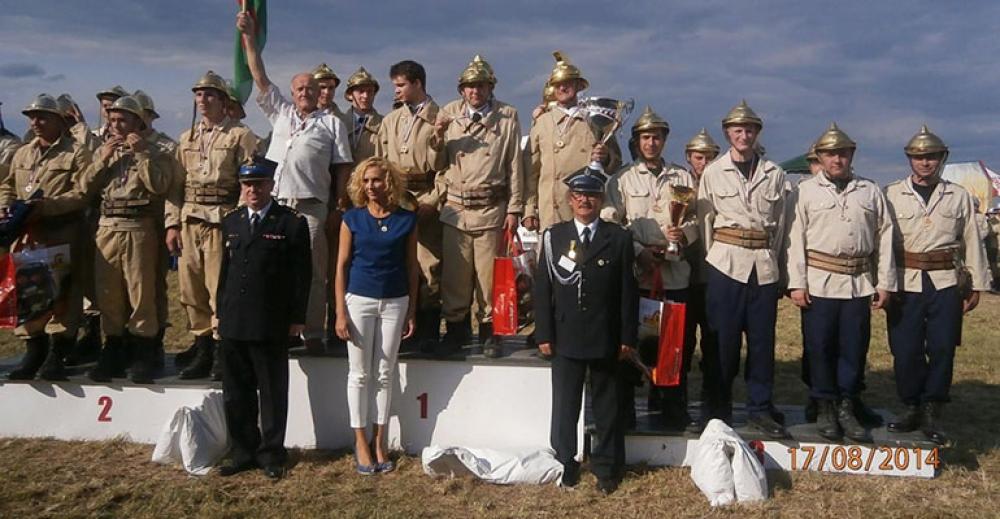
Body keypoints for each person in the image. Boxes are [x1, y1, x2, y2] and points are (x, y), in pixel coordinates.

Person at [238, 13, 353, 354]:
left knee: (315, 274)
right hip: (277, 205)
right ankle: (277, 328)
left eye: (311, 88)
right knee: (273, 270)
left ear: (321, 93)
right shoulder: (281, 113)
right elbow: (258, 75)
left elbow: (343, 168)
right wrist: (248, 36)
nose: (305, 92)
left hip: (312, 207)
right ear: (292, 92)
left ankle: (313, 334)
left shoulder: (332, 123)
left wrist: (338, 206)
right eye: (299, 88)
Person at [785, 123, 896, 442]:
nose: (837, 159)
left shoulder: (869, 190)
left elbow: (884, 236)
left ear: (852, 155)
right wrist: (797, 282)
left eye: (843, 153)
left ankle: (847, 404)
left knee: (853, 347)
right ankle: (824, 406)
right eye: (830, 154)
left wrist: (884, 282)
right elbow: (794, 238)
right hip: (819, 281)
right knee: (819, 346)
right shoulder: (804, 191)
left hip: (858, 282)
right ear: (820, 157)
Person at [884, 125, 990, 446]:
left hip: (944, 283)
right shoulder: (890, 194)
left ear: (942, 159)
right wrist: (882, 283)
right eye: (919, 157)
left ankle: (933, 407)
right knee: (905, 350)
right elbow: (883, 242)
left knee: (943, 347)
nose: (925, 163)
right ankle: (912, 405)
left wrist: (978, 283)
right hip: (906, 282)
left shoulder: (957, 196)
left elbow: (972, 239)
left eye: (931, 157)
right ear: (909, 160)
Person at [535, 168, 638, 495]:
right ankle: (565, 462)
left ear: (601, 199)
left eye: (591, 195)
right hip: (566, 334)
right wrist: (544, 334)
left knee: (607, 405)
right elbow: (543, 289)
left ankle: (607, 467)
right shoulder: (555, 237)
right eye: (579, 195)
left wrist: (627, 338)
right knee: (565, 405)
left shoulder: (618, 238)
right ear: (569, 200)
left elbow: (628, 292)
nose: (585, 201)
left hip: (606, 336)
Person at [695, 100, 788, 437]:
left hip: (762, 265)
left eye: (750, 129)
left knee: (762, 342)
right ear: (727, 134)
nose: (744, 135)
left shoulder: (774, 174)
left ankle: (760, 407)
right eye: (738, 130)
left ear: (757, 133)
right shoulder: (713, 172)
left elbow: (781, 223)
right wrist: (715, 260)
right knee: (723, 342)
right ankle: (717, 408)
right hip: (726, 263)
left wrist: (774, 262)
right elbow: (705, 220)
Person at [215, 156, 311, 479]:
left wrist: (297, 318)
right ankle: (243, 450)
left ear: (272, 185)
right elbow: (224, 273)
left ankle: (271, 453)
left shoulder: (290, 223)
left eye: (259, 184)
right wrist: (219, 313)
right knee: (236, 391)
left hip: (271, 321)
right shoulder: (232, 221)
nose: (253, 190)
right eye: (247, 185)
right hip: (234, 321)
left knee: (271, 392)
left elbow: (302, 275)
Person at [602, 107, 697, 431]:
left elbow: (697, 219)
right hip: (638, 274)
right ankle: (626, 412)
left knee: (673, 346)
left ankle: (673, 410)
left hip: (674, 274)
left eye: (657, 136)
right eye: (645, 137)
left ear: (665, 139)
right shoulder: (623, 179)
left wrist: (682, 236)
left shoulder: (682, 178)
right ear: (637, 141)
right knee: (632, 344)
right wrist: (639, 251)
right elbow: (613, 222)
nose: (651, 142)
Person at [77, 96, 178, 384]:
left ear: (138, 122)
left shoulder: (156, 150)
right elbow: (85, 187)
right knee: (107, 291)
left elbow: (160, 185)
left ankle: (145, 349)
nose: (116, 125)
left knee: (141, 291)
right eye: (112, 120)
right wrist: (102, 159)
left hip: (139, 225)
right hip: (107, 225)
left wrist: (142, 154)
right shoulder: (104, 150)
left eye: (123, 120)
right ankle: (113, 348)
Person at [168, 71, 259, 379]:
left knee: (218, 288)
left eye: (209, 95)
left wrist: (240, 221)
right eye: (198, 95)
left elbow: (250, 182)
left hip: (222, 220)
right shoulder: (186, 138)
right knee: (190, 289)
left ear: (223, 101)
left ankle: (223, 349)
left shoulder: (240, 135)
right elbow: (175, 185)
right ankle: (202, 345)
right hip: (190, 220)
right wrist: (172, 224)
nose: (203, 100)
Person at [435, 55, 524, 358]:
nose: (475, 92)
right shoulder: (447, 113)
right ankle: (456, 330)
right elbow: (437, 162)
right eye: (470, 86)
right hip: (456, 208)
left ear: (490, 87)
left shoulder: (507, 116)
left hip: (490, 207)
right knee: (455, 277)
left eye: (481, 86)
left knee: (489, 278)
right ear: (461, 89)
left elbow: (515, 164)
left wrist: (514, 209)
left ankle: (491, 332)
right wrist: (436, 136)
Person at [334, 156, 417, 475]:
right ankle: (360, 441)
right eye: (366, 181)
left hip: (396, 301)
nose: (371, 186)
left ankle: (380, 440)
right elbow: (341, 267)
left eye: (377, 180)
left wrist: (411, 308)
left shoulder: (407, 219)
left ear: (390, 182)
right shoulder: (351, 219)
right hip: (359, 301)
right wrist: (340, 311)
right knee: (359, 374)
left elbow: (412, 266)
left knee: (385, 372)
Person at [1, 94, 93, 381]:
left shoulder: (76, 153)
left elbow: (82, 193)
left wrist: (47, 207)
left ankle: (58, 351)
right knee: (29, 293)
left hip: (61, 231)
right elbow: (7, 184)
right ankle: (34, 348)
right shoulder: (23, 153)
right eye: (32, 117)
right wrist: (6, 205)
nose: (35, 123)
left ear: (59, 121)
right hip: (28, 235)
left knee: (63, 293)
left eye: (42, 117)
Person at [376, 60, 445, 348]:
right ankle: (401, 329)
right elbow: (380, 161)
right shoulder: (391, 121)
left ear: (418, 83)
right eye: (395, 85)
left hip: (427, 196)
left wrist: (433, 201)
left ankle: (429, 329)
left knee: (429, 265)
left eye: (401, 85)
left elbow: (448, 168)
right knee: (398, 262)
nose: (397, 91)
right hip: (396, 200)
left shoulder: (439, 117)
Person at [526, 51, 620, 232]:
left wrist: (606, 156)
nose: (562, 88)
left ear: (578, 86)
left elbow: (615, 163)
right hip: (551, 210)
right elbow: (531, 171)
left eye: (567, 83)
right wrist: (529, 209)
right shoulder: (542, 123)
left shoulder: (595, 118)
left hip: (587, 207)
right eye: (557, 85)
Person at [681, 127, 719, 429]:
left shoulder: (721, 183)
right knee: (678, 341)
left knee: (713, 340)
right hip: (680, 273)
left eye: (708, 157)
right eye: (698, 157)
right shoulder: (679, 183)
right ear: (688, 158)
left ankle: (712, 398)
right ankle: (669, 398)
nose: (703, 162)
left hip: (713, 274)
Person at [342, 67, 383, 166]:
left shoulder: (385, 124)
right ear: (350, 95)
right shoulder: (339, 123)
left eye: (370, 91)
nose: (365, 96)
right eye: (361, 91)